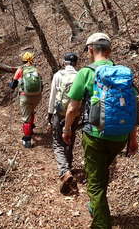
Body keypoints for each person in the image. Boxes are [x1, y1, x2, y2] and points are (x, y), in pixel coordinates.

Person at [62, 33, 139, 229]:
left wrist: (66, 129)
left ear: (90, 50)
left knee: (95, 182)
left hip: (95, 136)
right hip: (120, 136)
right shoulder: (122, 73)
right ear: (109, 50)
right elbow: (133, 108)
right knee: (101, 173)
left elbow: (73, 108)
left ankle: (101, 224)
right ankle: (96, 206)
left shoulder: (86, 73)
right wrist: (132, 139)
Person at [47, 52, 79, 195]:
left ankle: (64, 172)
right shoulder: (80, 76)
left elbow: (53, 95)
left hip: (59, 113)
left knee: (58, 143)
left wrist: (50, 113)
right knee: (70, 139)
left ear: (64, 62)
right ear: (76, 63)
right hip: (75, 114)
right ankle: (69, 166)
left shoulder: (58, 75)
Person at [10, 51, 42, 148]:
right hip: (37, 96)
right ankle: (31, 128)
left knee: (26, 118)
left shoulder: (20, 69)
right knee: (31, 111)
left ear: (23, 60)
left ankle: (27, 140)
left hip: (25, 96)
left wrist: (11, 85)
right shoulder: (36, 69)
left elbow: (13, 84)